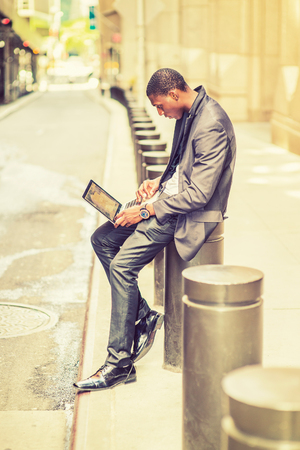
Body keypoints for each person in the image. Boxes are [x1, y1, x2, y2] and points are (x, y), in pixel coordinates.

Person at [74, 68, 236, 391]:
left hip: (189, 215)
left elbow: (200, 194)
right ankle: (144, 315)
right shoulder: (190, 113)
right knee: (102, 238)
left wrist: (147, 209)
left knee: (122, 268)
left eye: (160, 106)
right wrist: (157, 185)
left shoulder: (211, 123)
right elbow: (181, 167)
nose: (160, 113)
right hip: (170, 203)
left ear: (175, 94)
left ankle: (119, 363)